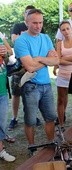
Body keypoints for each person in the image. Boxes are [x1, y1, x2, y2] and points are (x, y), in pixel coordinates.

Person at [14, 9, 59, 155]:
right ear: (27, 22)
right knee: (30, 120)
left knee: (51, 117)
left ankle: (51, 143)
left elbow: (56, 60)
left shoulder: (46, 37)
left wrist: (38, 58)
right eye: (34, 23)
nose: (38, 26)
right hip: (30, 86)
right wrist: (46, 60)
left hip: (46, 84)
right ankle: (32, 147)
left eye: (40, 22)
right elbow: (29, 67)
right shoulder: (21, 40)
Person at [8, 5, 42, 131]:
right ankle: (14, 118)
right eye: (28, 13)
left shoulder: (37, 27)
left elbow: (40, 44)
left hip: (34, 66)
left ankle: (34, 116)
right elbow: (14, 40)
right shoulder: (18, 26)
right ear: (25, 15)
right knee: (16, 93)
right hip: (19, 66)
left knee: (34, 93)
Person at [53, 20, 72, 129]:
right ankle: (61, 124)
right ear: (61, 32)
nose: (66, 31)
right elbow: (57, 60)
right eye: (63, 30)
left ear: (71, 29)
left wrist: (63, 59)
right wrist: (70, 60)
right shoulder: (59, 43)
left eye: (67, 29)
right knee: (61, 100)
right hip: (62, 76)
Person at [0, 32, 16, 162]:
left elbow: (10, 53)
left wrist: (5, 53)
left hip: (2, 88)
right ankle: (1, 150)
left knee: (2, 121)